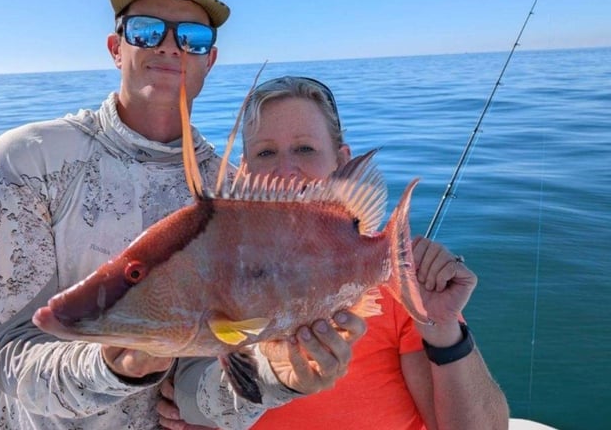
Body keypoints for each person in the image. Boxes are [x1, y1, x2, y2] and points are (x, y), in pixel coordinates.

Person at [0, 0, 365, 430]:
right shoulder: (30, 159)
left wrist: (277, 378)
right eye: (146, 31)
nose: (170, 47)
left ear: (210, 59)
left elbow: (209, 370)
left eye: (194, 38)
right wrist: (112, 366)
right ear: (117, 47)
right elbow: (5, 355)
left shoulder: (234, 196)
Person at [164, 76, 509, 429]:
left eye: (305, 149)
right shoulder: (215, 269)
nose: (284, 171)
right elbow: (183, 397)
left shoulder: (394, 278)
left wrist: (443, 327)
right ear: (245, 170)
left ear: (341, 161)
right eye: (266, 153)